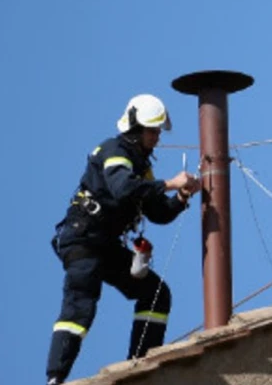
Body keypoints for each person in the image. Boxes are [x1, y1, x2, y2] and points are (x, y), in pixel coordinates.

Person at [46, 94, 201, 385]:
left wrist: (182, 196)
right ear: (135, 128)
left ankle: (139, 367)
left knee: (155, 294)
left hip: (104, 244)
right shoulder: (114, 150)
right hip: (82, 238)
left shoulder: (141, 167)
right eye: (152, 131)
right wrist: (170, 183)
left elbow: (157, 212)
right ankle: (55, 379)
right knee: (81, 305)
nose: (157, 137)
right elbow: (124, 190)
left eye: (157, 131)